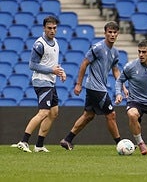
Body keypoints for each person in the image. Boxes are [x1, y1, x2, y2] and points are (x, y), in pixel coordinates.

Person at [60, 21, 127, 150]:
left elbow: (115, 70)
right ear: (105, 33)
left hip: (97, 87)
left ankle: (67, 139)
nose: (112, 35)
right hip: (96, 87)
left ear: (117, 34)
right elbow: (84, 63)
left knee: (88, 116)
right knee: (111, 115)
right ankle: (120, 144)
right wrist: (78, 84)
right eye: (110, 32)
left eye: (114, 32)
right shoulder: (98, 48)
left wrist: (123, 87)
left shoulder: (115, 52)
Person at [12, 16, 66, 152]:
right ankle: (23, 141)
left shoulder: (56, 43)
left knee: (54, 113)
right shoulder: (39, 44)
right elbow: (32, 65)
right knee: (43, 112)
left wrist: (60, 71)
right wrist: (51, 70)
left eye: (54, 28)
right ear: (44, 28)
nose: (52, 31)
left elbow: (53, 63)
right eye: (49, 28)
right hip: (41, 81)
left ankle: (39, 145)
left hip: (51, 81)